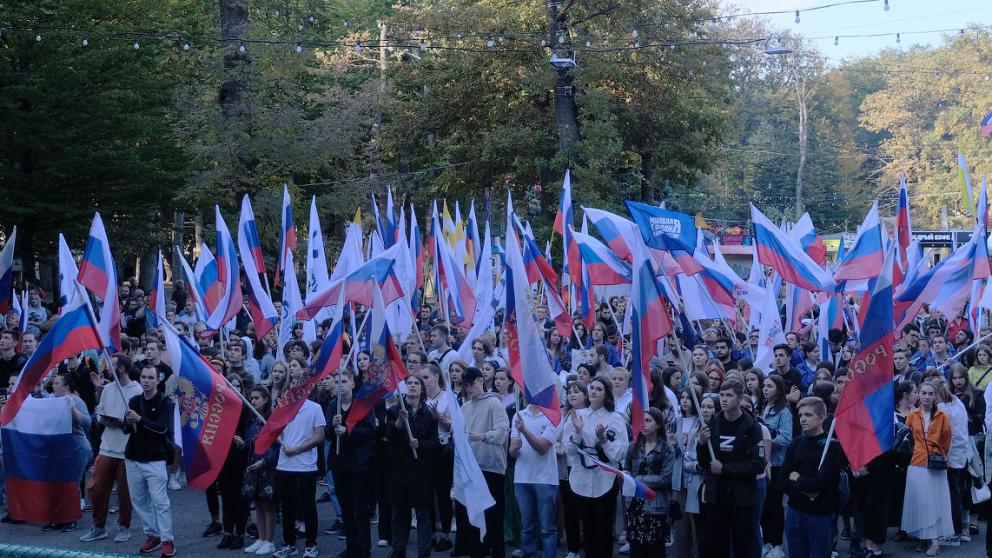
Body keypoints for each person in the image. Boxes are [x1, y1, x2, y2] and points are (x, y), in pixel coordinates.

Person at [697, 378, 765, 558]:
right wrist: (702, 444)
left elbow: (758, 464)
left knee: (742, 546)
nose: (724, 399)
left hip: (741, 498)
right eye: (722, 395)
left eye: (729, 395)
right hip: (717, 496)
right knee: (717, 546)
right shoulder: (714, 422)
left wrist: (726, 469)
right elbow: (705, 464)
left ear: (740, 398)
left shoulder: (752, 426)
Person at [563, 376, 629, 558]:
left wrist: (603, 440)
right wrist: (577, 431)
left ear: (606, 393)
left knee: (603, 530)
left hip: (605, 481)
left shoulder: (615, 418)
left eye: (599, 389)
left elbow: (620, 454)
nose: (593, 392)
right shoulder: (577, 416)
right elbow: (569, 450)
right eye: (592, 388)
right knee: (588, 530)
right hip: (580, 480)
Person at [80, 354, 143, 544]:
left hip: (127, 451)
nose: (107, 368)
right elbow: (100, 414)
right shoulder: (107, 388)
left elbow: (134, 420)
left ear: (122, 368)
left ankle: (124, 527)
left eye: (112, 365)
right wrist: (110, 419)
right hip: (106, 448)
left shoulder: (136, 390)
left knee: (125, 493)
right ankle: (99, 527)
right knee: (97, 489)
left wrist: (119, 421)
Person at [455, 366, 509, 558]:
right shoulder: (464, 407)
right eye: (466, 385)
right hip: (471, 469)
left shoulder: (495, 403)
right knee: (473, 519)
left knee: (493, 519)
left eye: (471, 383)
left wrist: (483, 436)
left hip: (492, 468)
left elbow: (503, 433)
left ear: (481, 380)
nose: (469, 389)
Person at [122, 364, 176, 557]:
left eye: (150, 378)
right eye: (143, 377)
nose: (146, 381)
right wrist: (127, 421)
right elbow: (125, 428)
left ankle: (167, 539)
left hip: (155, 459)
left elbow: (162, 429)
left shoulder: (165, 403)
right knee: (139, 501)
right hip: (133, 458)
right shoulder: (134, 400)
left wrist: (139, 420)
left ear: (157, 380)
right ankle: (152, 535)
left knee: (160, 502)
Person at [779, 397, 843, 558]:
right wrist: (807, 490)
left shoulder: (832, 447)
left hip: (820, 516)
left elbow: (820, 484)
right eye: (800, 415)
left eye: (808, 415)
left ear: (820, 417)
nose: (802, 419)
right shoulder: (796, 444)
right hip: (795, 511)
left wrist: (798, 479)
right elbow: (782, 481)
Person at [386, 374, 439, 558]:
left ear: (422, 389)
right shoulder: (394, 411)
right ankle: (398, 549)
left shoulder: (429, 414)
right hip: (399, 470)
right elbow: (388, 436)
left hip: (421, 470)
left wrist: (420, 445)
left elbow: (434, 443)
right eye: (410, 383)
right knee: (400, 512)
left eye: (417, 383)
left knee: (423, 512)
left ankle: (423, 551)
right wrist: (400, 422)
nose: (413, 386)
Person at [326, 371, 377, 558]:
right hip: (340, 463)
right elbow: (328, 434)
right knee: (346, 507)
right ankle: (351, 547)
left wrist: (347, 430)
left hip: (359, 464)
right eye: (337, 381)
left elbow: (370, 431)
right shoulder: (334, 405)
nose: (341, 384)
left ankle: (364, 549)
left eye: (344, 381)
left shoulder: (362, 405)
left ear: (352, 384)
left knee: (360, 509)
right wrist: (333, 426)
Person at [273, 386, 326, 558]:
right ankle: (289, 544)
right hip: (284, 465)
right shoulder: (282, 408)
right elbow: (276, 433)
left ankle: (311, 544)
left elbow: (319, 437)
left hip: (305, 466)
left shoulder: (315, 408)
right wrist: (280, 440)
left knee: (308, 506)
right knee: (287, 507)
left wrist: (296, 449)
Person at [903, 381, 954, 555]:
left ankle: (934, 541)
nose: (926, 397)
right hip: (916, 462)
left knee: (933, 503)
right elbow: (907, 438)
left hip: (935, 464)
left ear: (935, 395)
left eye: (930, 394)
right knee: (921, 502)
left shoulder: (942, 416)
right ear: (919, 394)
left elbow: (946, 440)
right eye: (923, 393)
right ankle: (924, 539)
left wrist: (941, 456)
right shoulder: (912, 415)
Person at [624, 407, 678, 558]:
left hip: (656, 505)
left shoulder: (666, 449)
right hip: (635, 505)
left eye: (648, 421)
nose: (644, 424)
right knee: (636, 549)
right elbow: (627, 468)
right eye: (642, 421)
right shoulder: (634, 446)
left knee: (655, 549)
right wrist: (625, 475)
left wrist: (637, 479)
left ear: (658, 424)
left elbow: (665, 478)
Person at [510, 401, 560, 558]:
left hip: (545, 478)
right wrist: (515, 448)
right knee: (526, 527)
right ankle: (528, 554)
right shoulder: (518, 415)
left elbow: (542, 448)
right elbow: (512, 453)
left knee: (547, 529)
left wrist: (524, 430)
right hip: (522, 478)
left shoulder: (554, 416)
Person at [44, 373, 91, 533]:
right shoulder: (51, 401)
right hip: (59, 449)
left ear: (67, 387)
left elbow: (88, 423)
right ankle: (57, 518)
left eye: (56, 383)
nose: (53, 386)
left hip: (77, 449)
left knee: (71, 484)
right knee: (56, 483)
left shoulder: (76, 401)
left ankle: (70, 518)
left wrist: (73, 410)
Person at [934, 376, 973, 545]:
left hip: (950, 457)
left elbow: (946, 436)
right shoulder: (958, 403)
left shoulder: (943, 409)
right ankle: (958, 529)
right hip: (961, 456)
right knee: (957, 494)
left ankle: (954, 532)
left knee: (952, 495)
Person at [421, 363, 454, 552]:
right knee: (426, 492)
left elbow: (454, 426)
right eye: (421, 378)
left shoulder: (449, 397)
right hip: (426, 449)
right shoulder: (420, 398)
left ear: (436, 377)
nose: (423, 381)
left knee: (442, 493)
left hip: (442, 448)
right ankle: (432, 532)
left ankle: (446, 533)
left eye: (426, 378)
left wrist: (438, 415)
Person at [242, 386, 279, 556]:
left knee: (267, 504)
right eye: (252, 398)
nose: (253, 401)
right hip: (252, 464)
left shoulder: (272, 419)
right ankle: (261, 538)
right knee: (256, 502)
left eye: (257, 398)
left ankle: (269, 541)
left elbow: (277, 445)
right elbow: (252, 441)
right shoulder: (252, 419)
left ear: (266, 399)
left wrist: (265, 461)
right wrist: (243, 443)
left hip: (267, 466)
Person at [760, 374, 793, 558]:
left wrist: (767, 440)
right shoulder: (764, 407)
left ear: (779, 389)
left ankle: (777, 544)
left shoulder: (784, 412)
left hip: (777, 464)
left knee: (775, 505)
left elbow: (787, 437)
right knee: (764, 504)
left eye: (770, 386)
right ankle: (766, 541)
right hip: (764, 463)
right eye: (764, 386)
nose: (765, 389)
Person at [673, 387, 704, 558]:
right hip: (679, 480)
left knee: (696, 528)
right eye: (682, 397)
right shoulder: (676, 421)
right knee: (680, 526)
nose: (684, 400)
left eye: (688, 398)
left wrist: (683, 450)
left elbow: (697, 454)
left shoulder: (701, 422)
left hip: (696, 480)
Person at [559, 381, 588, 558]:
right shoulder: (565, 415)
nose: (572, 394)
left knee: (584, 509)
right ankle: (572, 548)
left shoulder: (588, 415)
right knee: (569, 509)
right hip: (565, 467)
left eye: (576, 392)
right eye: (569, 392)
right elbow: (559, 436)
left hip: (583, 467)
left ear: (585, 395)